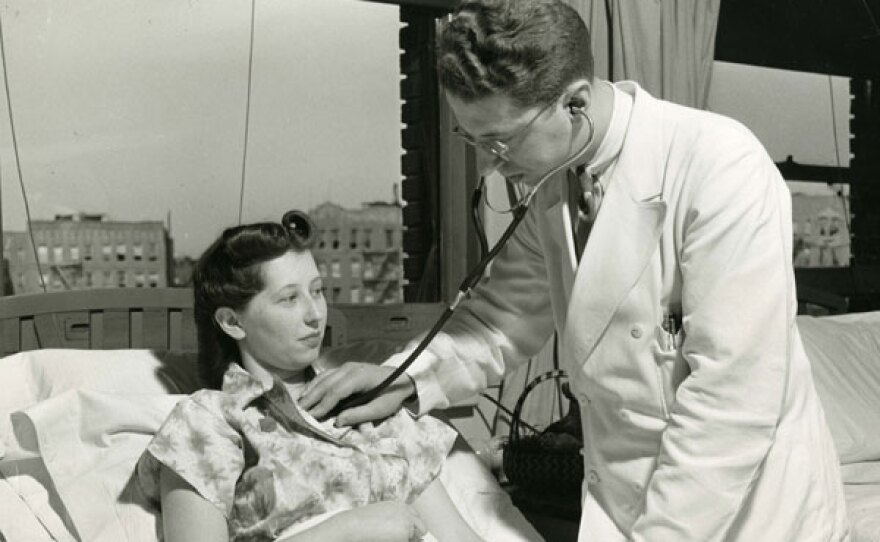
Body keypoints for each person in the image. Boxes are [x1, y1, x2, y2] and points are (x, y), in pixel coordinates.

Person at [299, 0, 850, 540]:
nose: (489, 164)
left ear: (575, 102)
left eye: (500, 140)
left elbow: (731, 400)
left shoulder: (719, 165)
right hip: (622, 502)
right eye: (471, 139)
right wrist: (407, 378)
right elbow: (500, 321)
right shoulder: (550, 181)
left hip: (745, 513)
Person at [135, 212, 488, 542]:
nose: (314, 314)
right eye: (289, 298)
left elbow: (458, 538)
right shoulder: (209, 422)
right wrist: (349, 529)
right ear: (232, 322)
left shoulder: (370, 406)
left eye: (317, 291)